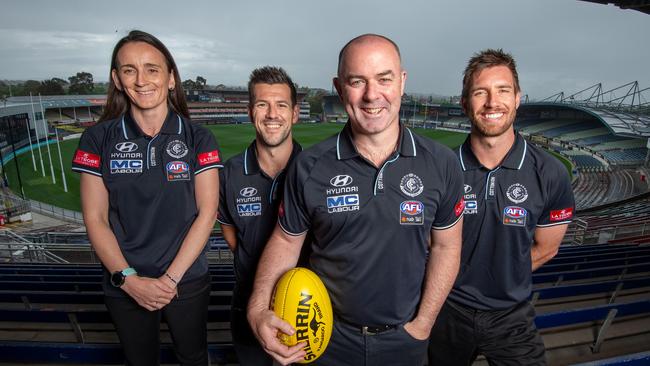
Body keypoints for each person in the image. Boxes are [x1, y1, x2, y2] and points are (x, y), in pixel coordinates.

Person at [246, 34, 464, 366]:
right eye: (357, 81)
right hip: (324, 338)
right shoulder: (310, 166)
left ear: (402, 82)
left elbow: (447, 247)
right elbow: (285, 241)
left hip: (404, 340)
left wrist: (423, 325)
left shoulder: (442, 163)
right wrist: (259, 306)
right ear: (339, 87)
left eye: (384, 79)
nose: (371, 95)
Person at [72, 30, 221, 366]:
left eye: (152, 69)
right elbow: (95, 218)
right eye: (129, 70)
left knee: (193, 357)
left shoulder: (198, 136)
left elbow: (207, 212)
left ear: (170, 78)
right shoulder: (97, 138)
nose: (141, 81)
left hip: (186, 279)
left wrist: (170, 279)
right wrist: (128, 280)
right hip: (124, 282)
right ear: (117, 79)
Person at [428, 49, 575, 366]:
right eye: (480, 92)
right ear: (465, 103)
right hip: (445, 311)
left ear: (518, 98)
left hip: (511, 316)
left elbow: (547, 249)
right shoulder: (440, 169)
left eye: (503, 90)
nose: (492, 103)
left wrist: (499, 278)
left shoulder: (549, 173)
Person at [217, 66, 302, 365]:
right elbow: (232, 237)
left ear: (295, 113)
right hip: (247, 303)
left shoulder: (317, 170)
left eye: (281, 105)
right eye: (262, 104)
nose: (272, 114)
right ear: (251, 111)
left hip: (305, 306)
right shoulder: (229, 173)